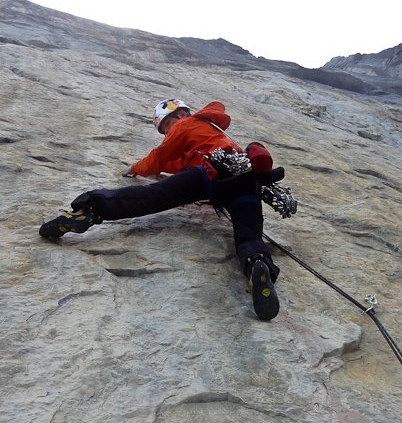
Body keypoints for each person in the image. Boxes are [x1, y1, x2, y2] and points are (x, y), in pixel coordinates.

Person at [39, 99, 281, 321]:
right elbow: (176, 163)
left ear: (180, 114)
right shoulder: (217, 135)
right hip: (247, 184)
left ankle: (88, 210)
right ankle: (257, 264)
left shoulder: (187, 123)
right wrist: (161, 170)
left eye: (166, 125)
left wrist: (134, 168)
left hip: (210, 175)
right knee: (249, 235)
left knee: (153, 197)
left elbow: (160, 156)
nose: (166, 132)